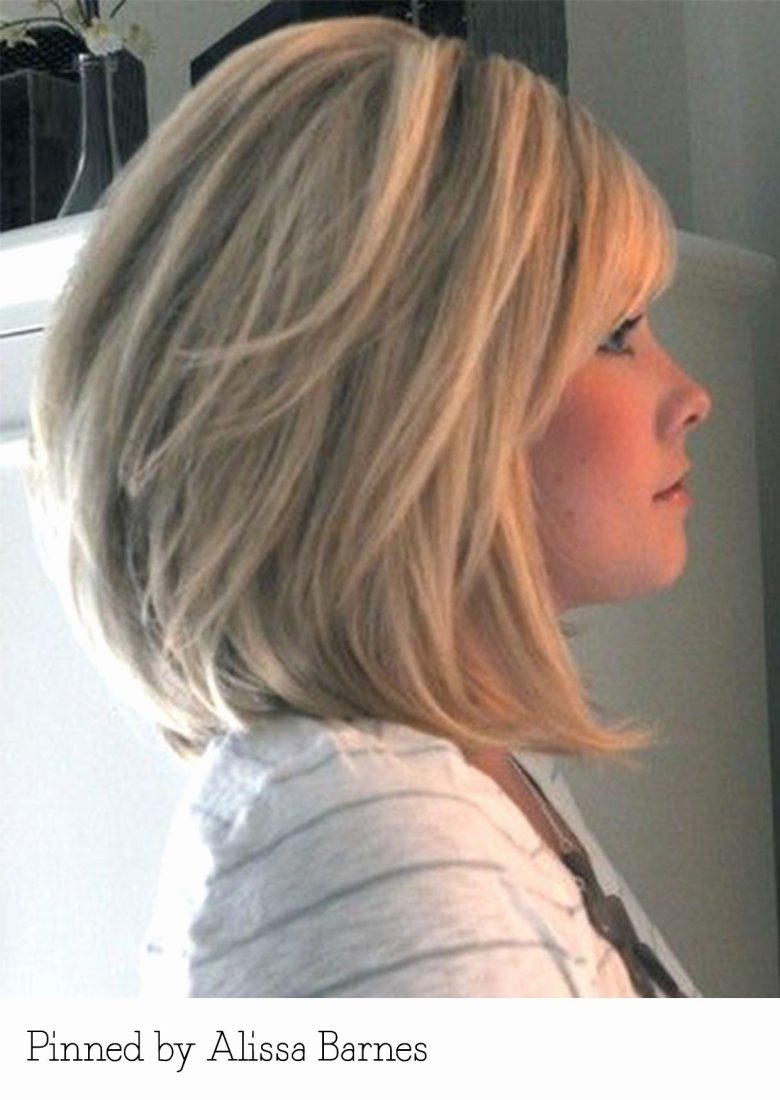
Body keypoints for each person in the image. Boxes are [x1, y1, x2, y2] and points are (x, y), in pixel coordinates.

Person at [26, 15, 711, 997]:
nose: (691, 395)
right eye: (616, 333)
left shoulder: (472, 782)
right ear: (403, 399)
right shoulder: (385, 849)